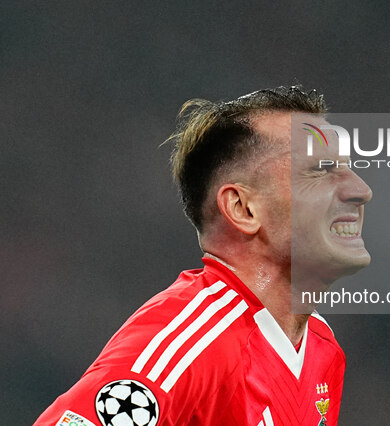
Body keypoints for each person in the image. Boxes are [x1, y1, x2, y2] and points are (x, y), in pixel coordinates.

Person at [34, 86, 372, 426]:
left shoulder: (320, 348)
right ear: (242, 208)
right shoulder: (190, 342)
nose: (360, 190)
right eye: (320, 171)